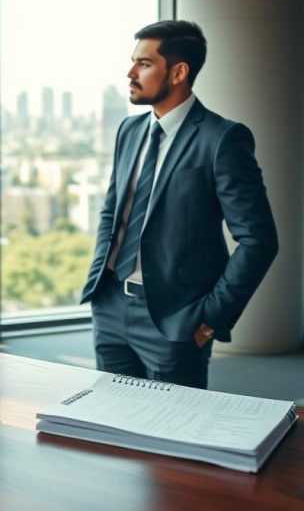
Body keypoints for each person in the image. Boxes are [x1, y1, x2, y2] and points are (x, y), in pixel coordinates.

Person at [80, 20, 278, 389]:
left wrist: (208, 320)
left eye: (143, 64)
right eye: (133, 62)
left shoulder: (223, 139)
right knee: (110, 425)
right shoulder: (129, 131)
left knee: (172, 435)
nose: (130, 73)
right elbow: (113, 211)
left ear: (178, 72)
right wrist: (99, 285)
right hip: (110, 307)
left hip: (176, 320)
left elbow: (258, 240)